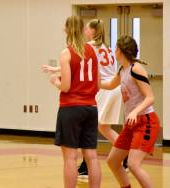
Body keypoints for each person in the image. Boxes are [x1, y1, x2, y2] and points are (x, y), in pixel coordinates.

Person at [43, 19, 125, 178]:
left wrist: (56, 79)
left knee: (72, 153)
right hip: (107, 90)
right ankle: (121, 151)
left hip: (90, 94)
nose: (86, 31)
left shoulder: (87, 47)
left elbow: (75, 67)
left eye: (88, 28)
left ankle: (117, 153)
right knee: (100, 133)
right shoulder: (104, 47)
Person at [47, 16, 101, 188]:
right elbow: (98, 84)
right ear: (82, 30)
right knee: (91, 156)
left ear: (66, 30)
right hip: (91, 108)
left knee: (70, 157)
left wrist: (55, 81)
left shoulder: (67, 53)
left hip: (71, 108)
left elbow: (66, 86)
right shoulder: (92, 52)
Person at [101, 35, 160, 188]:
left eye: (115, 48)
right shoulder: (122, 70)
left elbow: (150, 97)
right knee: (113, 161)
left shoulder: (136, 69)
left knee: (133, 165)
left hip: (145, 121)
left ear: (119, 51)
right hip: (131, 124)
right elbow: (109, 85)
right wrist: (89, 81)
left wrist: (135, 111)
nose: (114, 51)